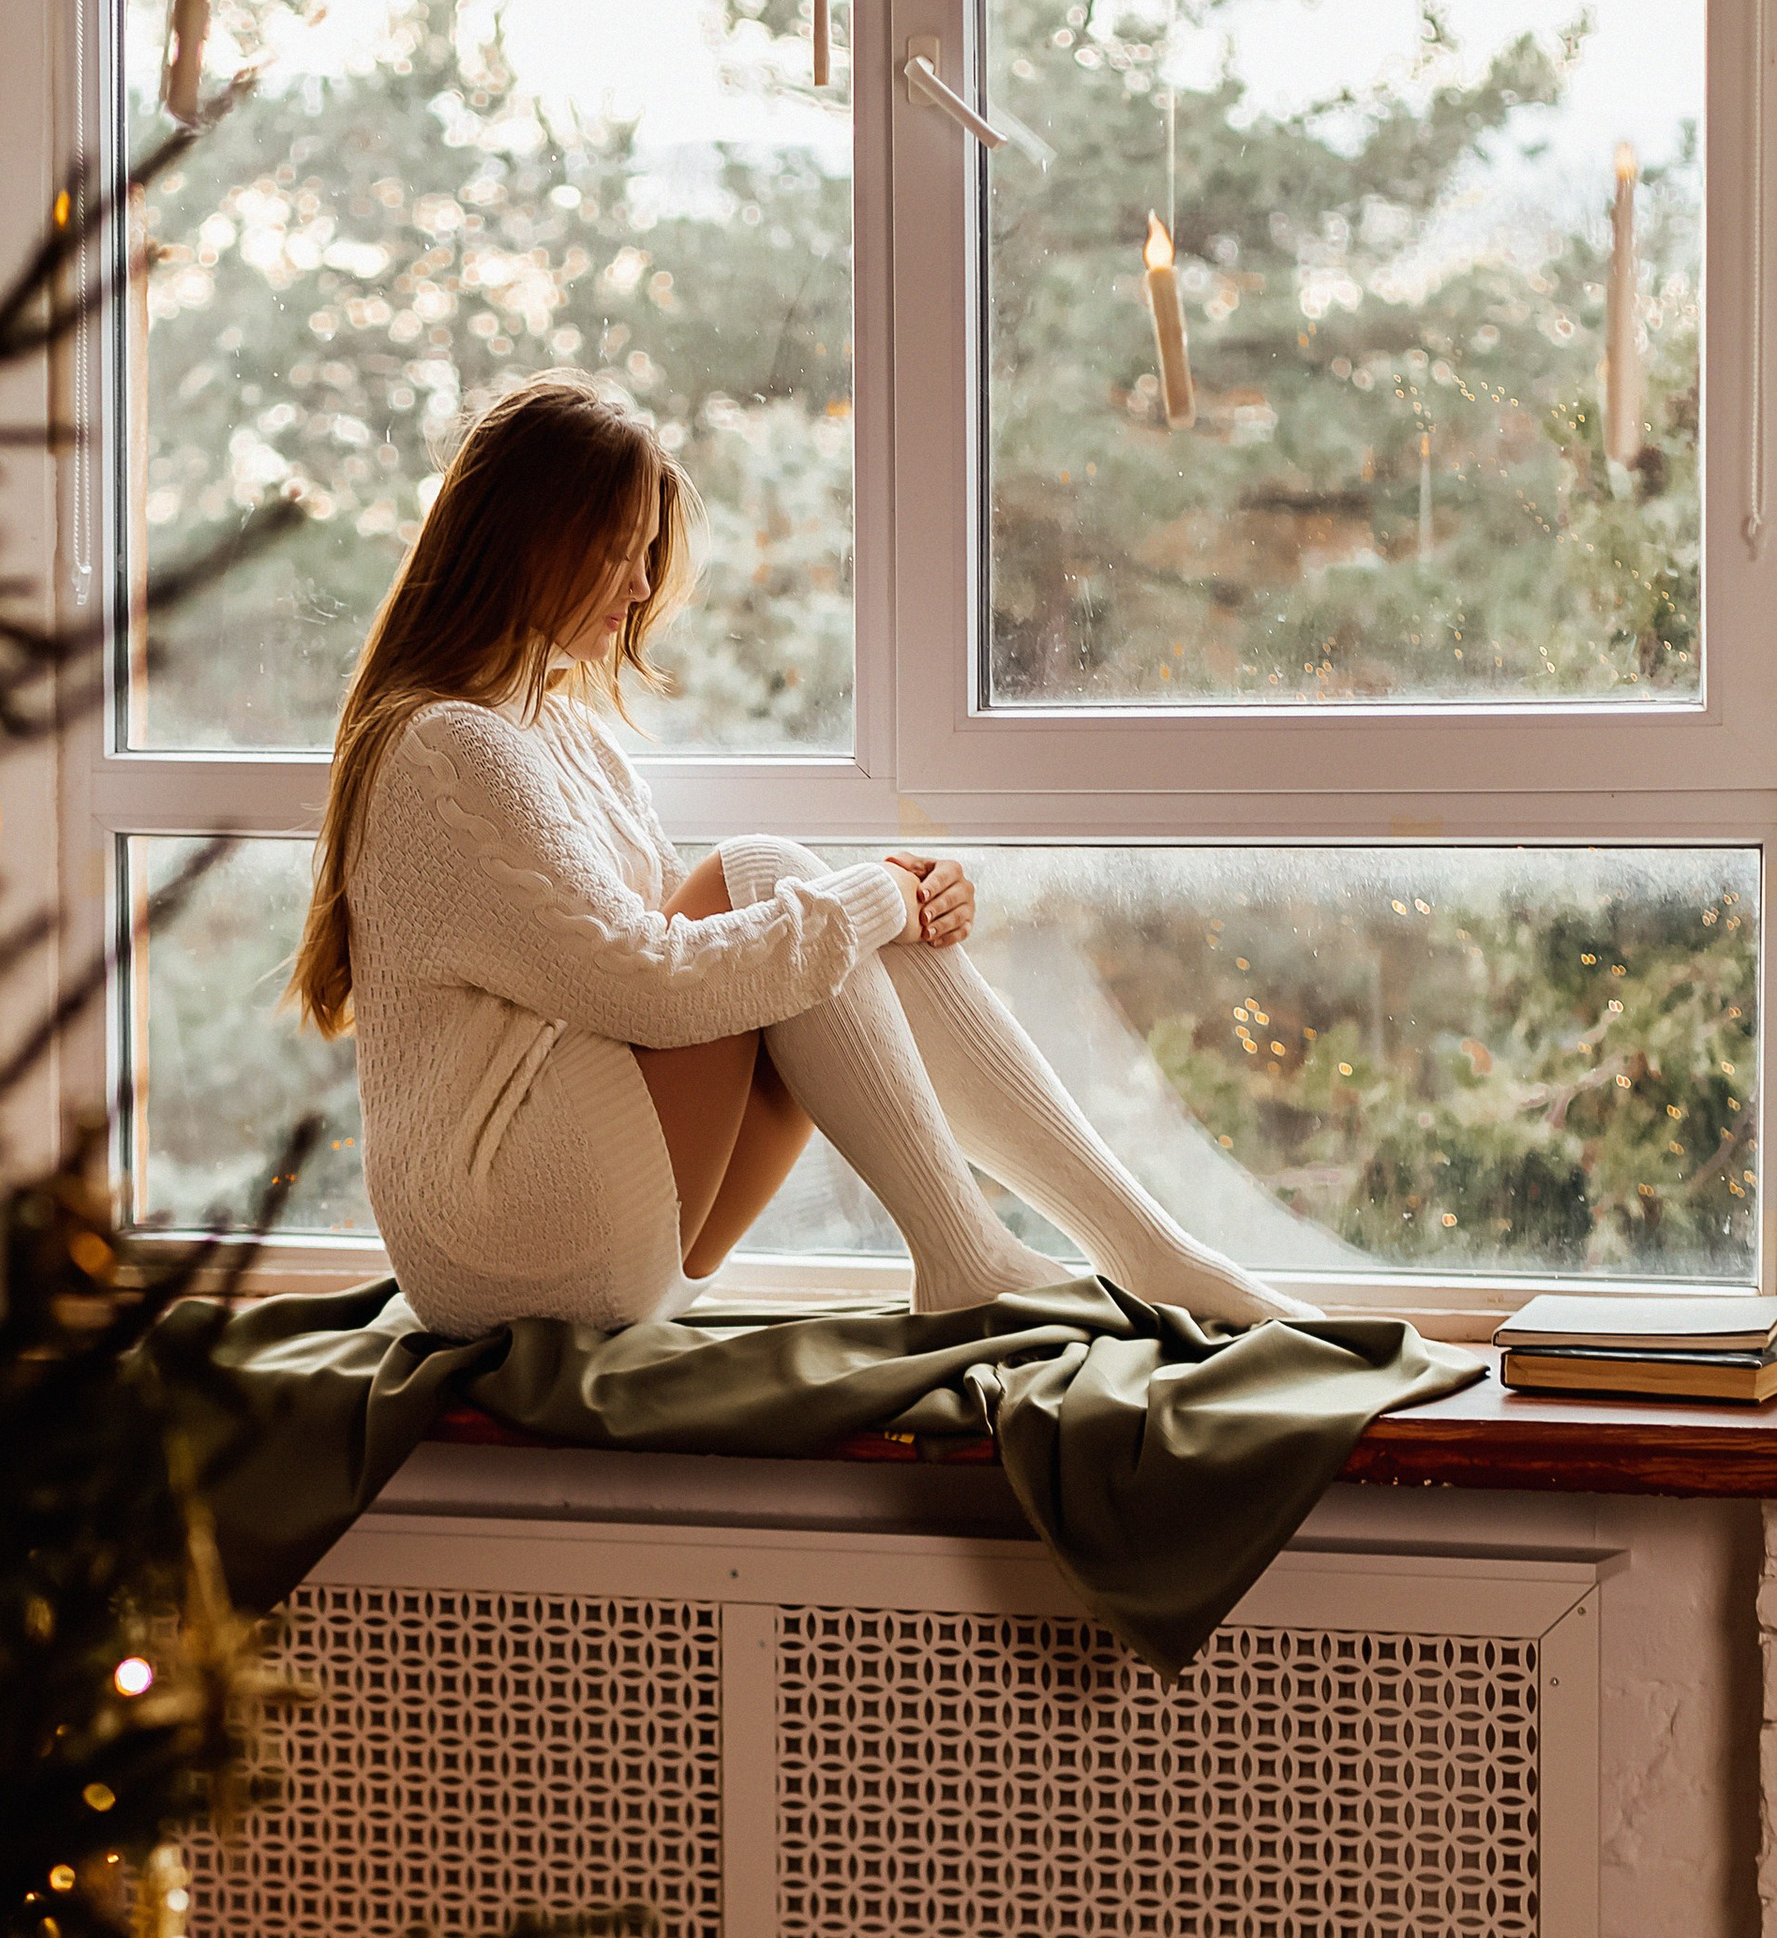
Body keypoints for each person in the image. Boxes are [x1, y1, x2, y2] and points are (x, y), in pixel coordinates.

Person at [290, 374, 1303, 1341]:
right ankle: (976, 1255)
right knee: (771, 874)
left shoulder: (561, 734)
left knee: (792, 912)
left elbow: (709, 961)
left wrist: (894, 901)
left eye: (646, 552)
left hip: (594, 1225)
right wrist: (868, 899)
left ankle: (1132, 1250)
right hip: (511, 1243)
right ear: (524, 540)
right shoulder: (447, 746)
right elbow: (646, 987)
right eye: (614, 550)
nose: (641, 586)